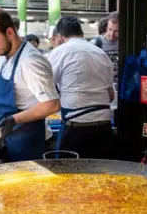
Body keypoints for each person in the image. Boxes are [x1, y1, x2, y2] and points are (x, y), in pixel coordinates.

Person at [0, 7, 60, 162]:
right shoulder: (3, 56)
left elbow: (52, 104)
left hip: (27, 142)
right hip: (7, 138)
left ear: (10, 33)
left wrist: (14, 120)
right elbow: (0, 91)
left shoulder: (30, 61)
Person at [48, 16, 115, 159]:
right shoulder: (101, 54)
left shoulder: (59, 53)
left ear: (60, 36)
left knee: (67, 175)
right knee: (102, 175)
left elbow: (48, 90)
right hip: (103, 127)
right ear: (82, 34)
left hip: (75, 128)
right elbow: (110, 96)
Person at [90, 12, 119, 82]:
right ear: (106, 27)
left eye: (116, 31)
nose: (112, 34)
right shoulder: (95, 43)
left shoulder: (125, 44)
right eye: (110, 29)